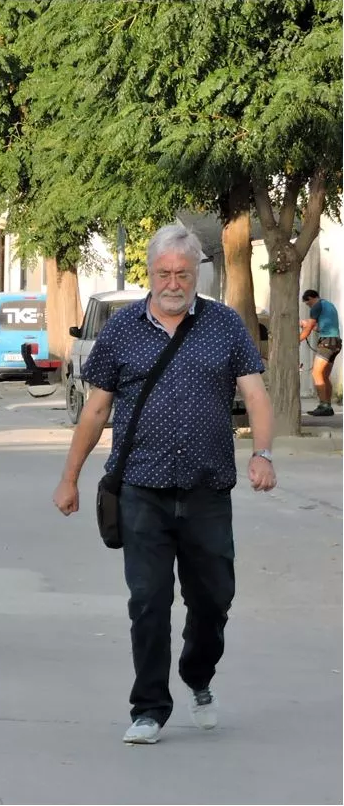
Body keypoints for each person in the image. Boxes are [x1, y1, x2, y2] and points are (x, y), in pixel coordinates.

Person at [52, 223, 276, 745]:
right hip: (141, 491)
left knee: (214, 598)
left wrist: (262, 453)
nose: (173, 282)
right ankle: (149, 707)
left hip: (206, 491)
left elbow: (257, 395)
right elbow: (96, 409)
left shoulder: (223, 324)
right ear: (149, 274)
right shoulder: (123, 329)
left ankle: (198, 676)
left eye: (183, 272)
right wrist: (70, 479)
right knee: (148, 599)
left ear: (197, 273)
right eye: (163, 273)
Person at [300, 289, 339, 417]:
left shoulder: (316, 306)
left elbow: (309, 328)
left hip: (326, 343)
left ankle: (323, 405)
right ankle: (328, 406)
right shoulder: (329, 305)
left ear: (311, 298)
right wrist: (308, 325)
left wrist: (298, 339)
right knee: (325, 375)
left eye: (307, 303)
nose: (308, 306)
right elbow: (321, 327)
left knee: (316, 373)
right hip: (336, 342)